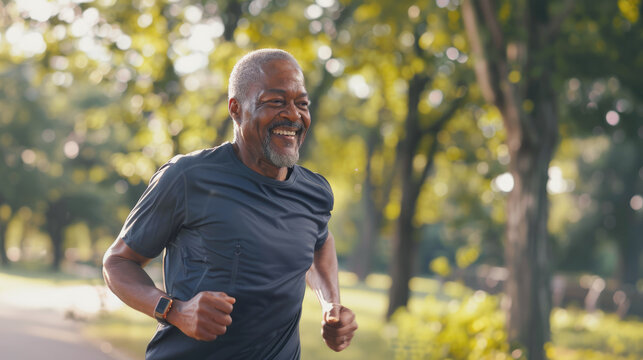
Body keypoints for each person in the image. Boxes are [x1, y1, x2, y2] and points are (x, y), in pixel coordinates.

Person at [102, 49, 358, 359]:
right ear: (236, 109)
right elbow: (117, 262)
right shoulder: (187, 177)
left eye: (301, 103)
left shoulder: (315, 192)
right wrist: (175, 310)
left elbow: (319, 241)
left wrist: (331, 304)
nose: (293, 115)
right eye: (276, 102)